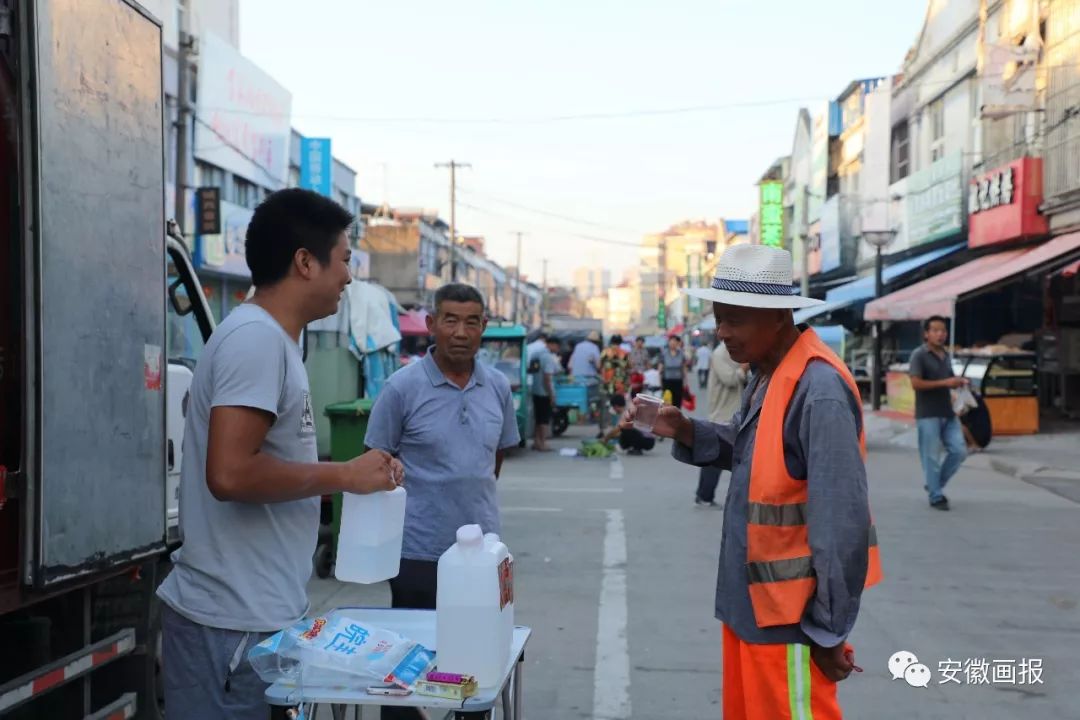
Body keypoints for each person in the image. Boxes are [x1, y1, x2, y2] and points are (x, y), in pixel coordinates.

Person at [157, 189, 404, 720]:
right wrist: (344, 475)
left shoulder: (274, 341)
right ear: (305, 262)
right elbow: (230, 473)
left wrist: (352, 475)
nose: (348, 277)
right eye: (344, 260)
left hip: (252, 616)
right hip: (230, 623)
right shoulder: (257, 341)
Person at [622, 244, 881, 720]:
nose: (722, 333)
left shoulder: (818, 389)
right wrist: (684, 429)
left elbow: (841, 521)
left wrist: (829, 631)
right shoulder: (768, 373)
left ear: (779, 316)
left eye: (735, 320)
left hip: (792, 621)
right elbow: (751, 453)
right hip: (750, 609)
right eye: (719, 319)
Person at [364, 283, 520, 720]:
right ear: (432, 324)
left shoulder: (498, 387)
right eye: (450, 320)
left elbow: (495, 459)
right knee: (409, 671)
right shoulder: (401, 388)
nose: (460, 332)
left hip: (483, 557)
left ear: (484, 327)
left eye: (471, 322)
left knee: (476, 666)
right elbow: (375, 462)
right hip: (416, 552)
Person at [909, 315, 969, 511]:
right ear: (926, 334)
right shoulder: (919, 355)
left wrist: (958, 383)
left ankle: (934, 485)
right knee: (931, 457)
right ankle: (936, 495)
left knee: (959, 451)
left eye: (943, 331)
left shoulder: (945, 355)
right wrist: (946, 383)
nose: (940, 334)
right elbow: (915, 383)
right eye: (935, 330)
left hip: (948, 412)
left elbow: (948, 381)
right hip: (928, 413)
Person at [695, 341, 747, 507]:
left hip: (732, 412)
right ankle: (704, 495)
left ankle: (704, 495)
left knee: (715, 456)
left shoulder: (737, 351)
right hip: (721, 414)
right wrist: (744, 368)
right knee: (714, 457)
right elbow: (730, 379)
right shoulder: (719, 354)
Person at [531, 336, 561, 451]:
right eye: (557, 347)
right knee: (544, 419)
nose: (557, 349)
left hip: (535, 389)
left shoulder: (536, 354)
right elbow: (547, 377)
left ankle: (536, 441)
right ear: (552, 344)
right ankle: (543, 443)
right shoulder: (548, 357)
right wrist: (551, 394)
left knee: (538, 418)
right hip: (544, 392)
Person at [599, 334, 630, 435]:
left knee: (606, 407)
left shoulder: (605, 352)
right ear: (620, 342)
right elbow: (629, 368)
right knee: (619, 407)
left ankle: (604, 429)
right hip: (620, 385)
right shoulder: (625, 353)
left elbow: (599, 366)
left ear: (611, 342)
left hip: (607, 384)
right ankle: (618, 429)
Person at [658, 335, 688, 409]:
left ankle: (676, 415)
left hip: (678, 381)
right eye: (671, 341)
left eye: (675, 341)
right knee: (667, 403)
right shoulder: (664, 353)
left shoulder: (681, 354)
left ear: (678, 343)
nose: (673, 343)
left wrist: (686, 382)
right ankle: (668, 415)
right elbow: (660, 369)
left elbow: (684, 368)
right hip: (667, 381)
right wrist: (659, 382)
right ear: (668, 342)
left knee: (677, 402)